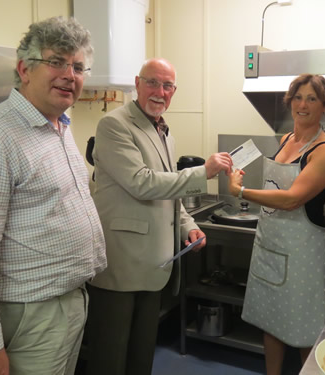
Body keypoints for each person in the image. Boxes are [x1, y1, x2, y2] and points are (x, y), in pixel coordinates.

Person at [0, 16, 106, 375]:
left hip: (68, 301)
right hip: (30, 313)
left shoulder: (59, 126)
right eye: (57, 62)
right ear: (25, 69)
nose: (70, 75)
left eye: (79, 66)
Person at [85, 57, 233, 375]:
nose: (159, 91)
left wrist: (187, 226)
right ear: (137, 84)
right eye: (152, 82)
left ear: (173, 91)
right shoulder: (114, 125)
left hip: (154, 264)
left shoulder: (164, 130)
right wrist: (203, 172)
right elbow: (142, 183)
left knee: (140, 355)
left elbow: (168, 195)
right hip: (121, 265)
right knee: (110, 358)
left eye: (167, 86)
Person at [228, 74, 325, 375]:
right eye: (298, 97)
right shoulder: (286, 140)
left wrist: (240, 191)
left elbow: (292, 199)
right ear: (290, 101)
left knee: (306, 329)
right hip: (270, 247)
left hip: (302, 254)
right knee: (271, 321)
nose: (303, 105)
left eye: (312, 98)